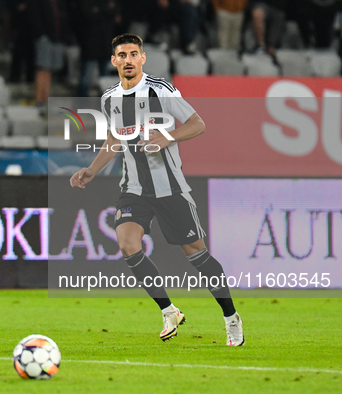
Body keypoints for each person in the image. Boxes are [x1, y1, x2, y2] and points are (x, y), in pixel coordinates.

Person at [70, 33, 244, 346]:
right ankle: (168, 310)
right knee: (127, 243)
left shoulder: (160, 90)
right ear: (114, 61)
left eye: (133, 54)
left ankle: (231, 317)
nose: (128, 60)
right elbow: (114, 139)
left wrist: (169, 136)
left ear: (142, 58)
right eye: (122, 55)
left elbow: (197, 123)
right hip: (133, 189)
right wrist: (91, 170)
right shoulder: (109, 98)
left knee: (197, 256)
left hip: (170, 188)